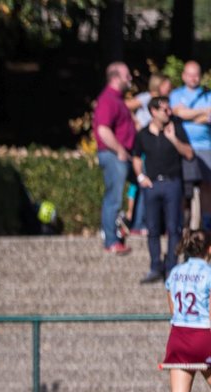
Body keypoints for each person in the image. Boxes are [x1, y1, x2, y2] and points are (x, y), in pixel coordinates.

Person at [159, 229, 211, 392]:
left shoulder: (175, 272)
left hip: (178, 336)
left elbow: (173, 310)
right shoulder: (209, 273)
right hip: (203, 336)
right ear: (209, 250)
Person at [133, 95, 193, 284]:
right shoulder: (143, 134)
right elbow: (136, 156)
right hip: (152, 185)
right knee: (152, 228)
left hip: (172, 183)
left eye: (169, 109)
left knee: (174, 227)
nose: (169, 112)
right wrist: (140, 176)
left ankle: (172, 267)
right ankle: (155, 266)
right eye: (164, 110)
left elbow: (189, 154)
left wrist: (173, 139)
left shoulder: (176, 128)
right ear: (153, 112)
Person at [94, 61, 136, 255]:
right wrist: (119, 149)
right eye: (127, 75)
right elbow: (103, 130)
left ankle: (136, 225)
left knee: (143, 183)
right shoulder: (108, 99)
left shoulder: (118, 99)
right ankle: (111, 240)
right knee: (114, 197)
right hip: (113, 155)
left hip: (123, 155)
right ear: (115, 77)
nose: (130, 78)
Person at [169, 61, 211, 230]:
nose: (193, 78)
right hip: (182, 146)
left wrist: (187, 114)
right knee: (184, 188)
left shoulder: (208, 94)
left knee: (207, 187)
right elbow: (177, 113)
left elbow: (184, 114)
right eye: (190, 74)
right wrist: (202, 113)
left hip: (206, 146)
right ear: (183, 76)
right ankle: (184, 225)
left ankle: (206, 224)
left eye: (196, 74)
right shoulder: (176, 94)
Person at [131, 72, 173, 235]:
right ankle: (139, 224)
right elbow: (124, 106)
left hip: (158, 145)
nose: (169, 88)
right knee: (145, 185)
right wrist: (136, 123)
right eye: (166, 85)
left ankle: (153, 224)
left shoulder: (166, 103)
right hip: (146, 145)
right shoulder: (145, 98)